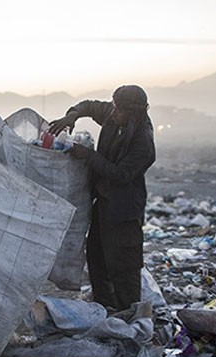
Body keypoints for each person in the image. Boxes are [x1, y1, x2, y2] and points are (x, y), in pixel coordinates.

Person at [48, 85, 155, 311]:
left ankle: (129, 313)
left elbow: (121, 174)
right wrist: (72, 115)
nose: (113, 113)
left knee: (123, 264)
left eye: (119, 110)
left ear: (133, 113)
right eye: (114, 107)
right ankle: (105, 307)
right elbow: (88, 106)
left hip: (124, 209)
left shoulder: (143, 142)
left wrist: (88, 155)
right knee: (97, 257)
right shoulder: (115, 116)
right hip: (104, 202)